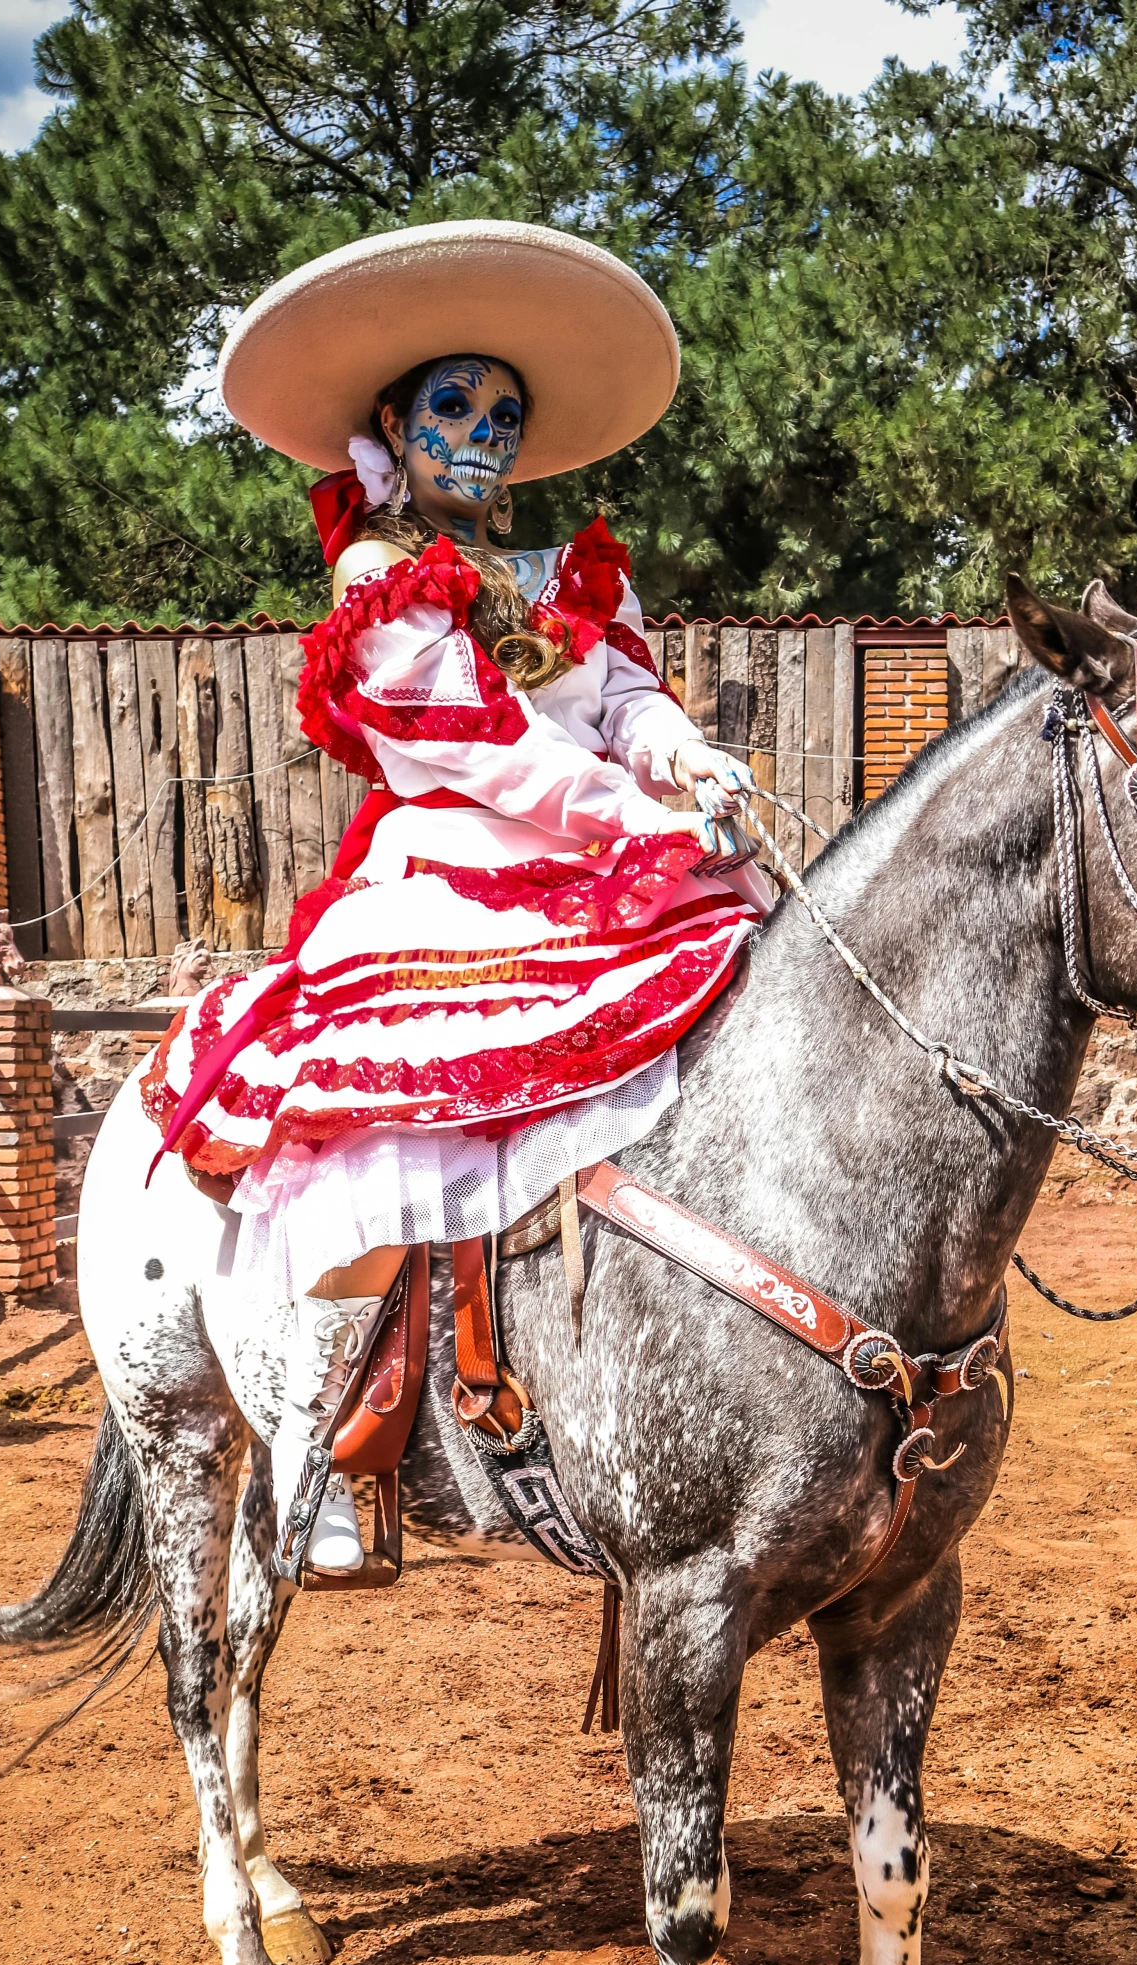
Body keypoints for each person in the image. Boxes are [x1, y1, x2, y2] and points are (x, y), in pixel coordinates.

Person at [143, 222, 770, 1574]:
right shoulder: (378, 575)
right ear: (391, 423)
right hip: (446, 867)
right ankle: (308, 1445)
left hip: (609, 858)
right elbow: (475, 739)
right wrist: (634, 812)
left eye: (504, 412)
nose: (482, 431)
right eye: (452, 405)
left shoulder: (569, 576)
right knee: (388, 1124)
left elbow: (623, 699)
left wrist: (687, 756)